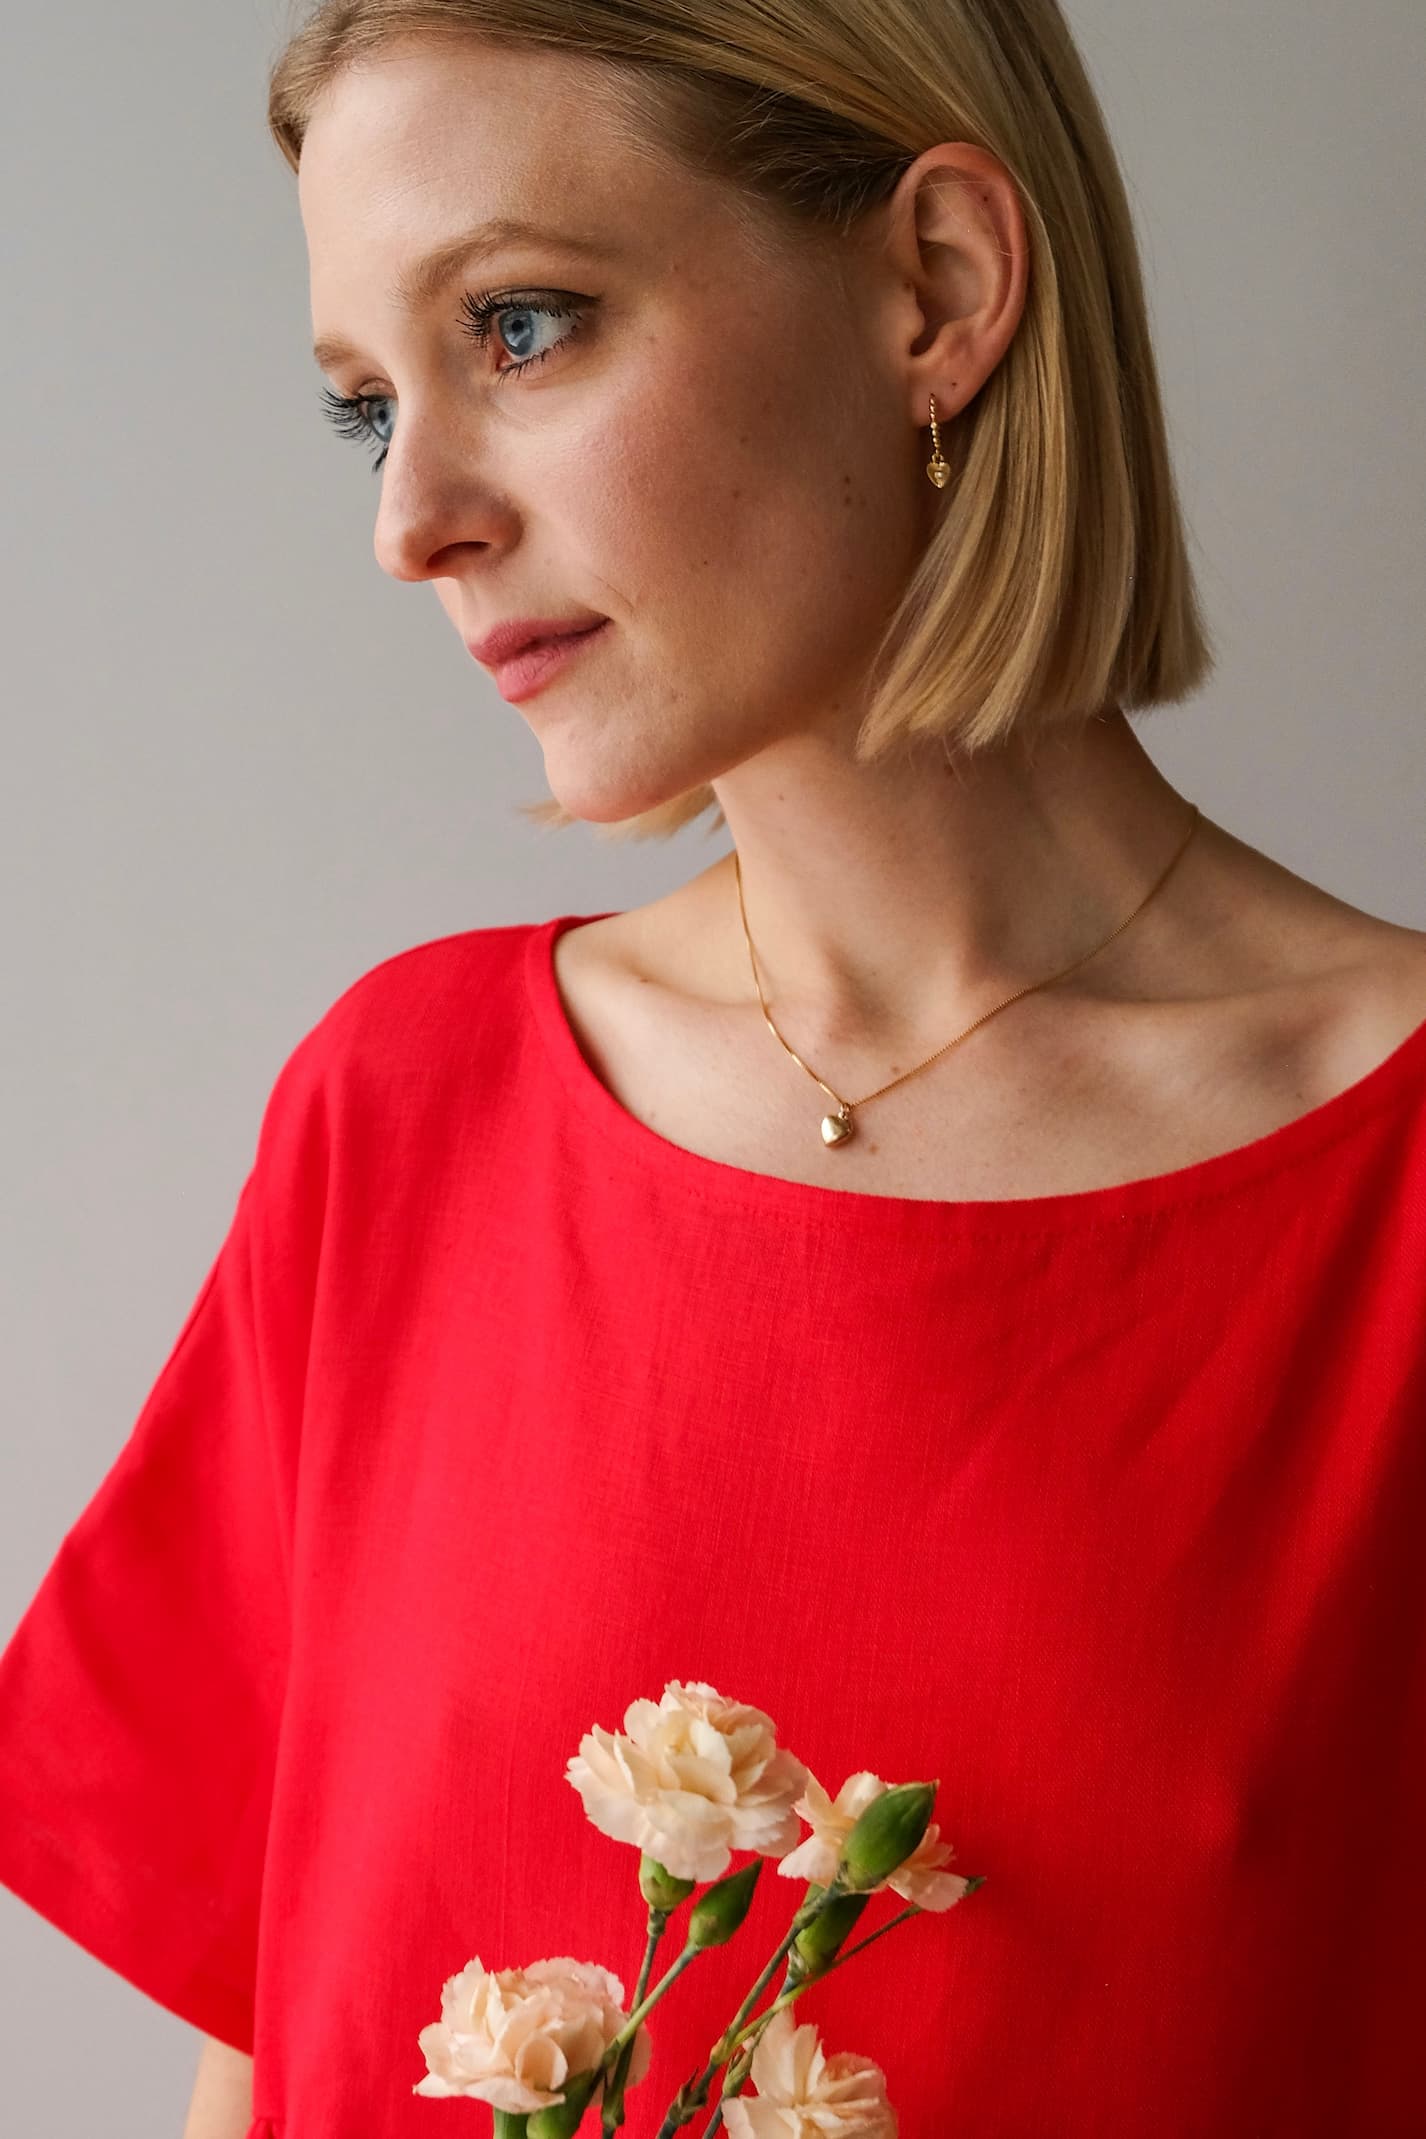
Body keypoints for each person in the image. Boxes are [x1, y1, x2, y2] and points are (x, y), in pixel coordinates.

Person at [2, 2, 1424, 2135]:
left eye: (522, 325)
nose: (412, 519)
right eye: (361, 407)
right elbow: (272, 2032)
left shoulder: (1384, 1199)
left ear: (932, 287)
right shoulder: (403, 1115)